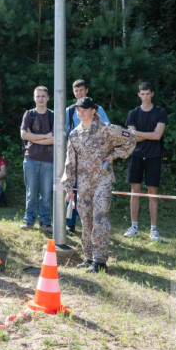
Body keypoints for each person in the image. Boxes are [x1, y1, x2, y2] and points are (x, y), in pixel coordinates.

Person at [62, 97, 136, 273]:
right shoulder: (74, 134)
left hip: (102, 181)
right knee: (86, 219)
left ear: (93, 110)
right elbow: (70, 163)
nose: (81, 112)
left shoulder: (105, 129)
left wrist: (114, 155)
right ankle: (88, 257)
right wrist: (69, 187)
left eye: (85, 109)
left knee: (99, 218)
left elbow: (131, 138)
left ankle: (100, 260)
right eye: (79, 109)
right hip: (84, 184)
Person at [123, 82, 168, 242]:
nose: (145, 96)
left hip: (154, 156)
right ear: (139, 95)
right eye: (143, 94)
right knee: (135, 192)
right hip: (135, 155)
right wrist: (145, 135)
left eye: (148, 93)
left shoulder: (160, 112)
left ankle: (153, 229)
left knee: (152, 194)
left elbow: (157, 136)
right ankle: (134, 227)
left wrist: (138, 134)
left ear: (152, 94)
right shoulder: (133, 113)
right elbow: (130, 137)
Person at [65, 79, 110, 234]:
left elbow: (107, 130)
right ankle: (70, 222)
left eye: (82, 90)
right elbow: (64, 133)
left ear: (87, 91)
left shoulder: (97, 109)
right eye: (76, 91)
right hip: (76, 157)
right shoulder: (70, 110)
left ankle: (95, 224)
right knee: (72, 188)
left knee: (95, 192)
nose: (79, 93)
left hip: (94, 160)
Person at [20, 86, 55, 233]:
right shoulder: (29, 114)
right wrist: (45, 136)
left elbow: (55, 139)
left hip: (49, 159)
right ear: (34, 98)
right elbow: (23, 135)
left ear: (47, 98)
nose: (40, 99)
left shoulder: (53, 115)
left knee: (46, 194)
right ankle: (29, 220)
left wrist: (34, 138)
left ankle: (45, 222)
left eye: (43, 96)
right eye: (38, 96)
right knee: (31, 192)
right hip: (31, 158)